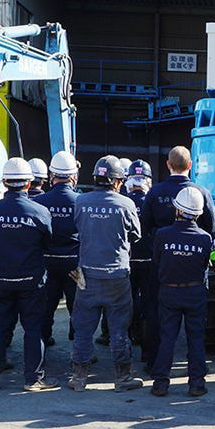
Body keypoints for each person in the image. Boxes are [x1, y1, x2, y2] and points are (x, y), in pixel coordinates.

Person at [0, 158, 54, 392]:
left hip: (0, 279)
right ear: (28, 183)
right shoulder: (40, 211)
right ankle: (33, 379)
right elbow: (47, 242)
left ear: (4, 182)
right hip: (31, 281)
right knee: (33, 329)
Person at [68, 155, 143, 393]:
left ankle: (78, 377)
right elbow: (136, 235)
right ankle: (123, 377)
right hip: (117, 276)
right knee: (119, 329)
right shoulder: (126, 204)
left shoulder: (81, 201)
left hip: (87, 275)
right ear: (117, 181)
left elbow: (77, 227)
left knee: (83, 329)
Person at [141, 146, 215, 371]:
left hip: (162, 267)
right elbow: (213, 229)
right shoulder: (202, 192)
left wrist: (161, 251)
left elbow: (144, 227)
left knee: (159, 318)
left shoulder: (154, 193)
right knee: (196, 328)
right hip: (194, 271)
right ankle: (197, 375)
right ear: (190, 165)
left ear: (168, 165)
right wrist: (202, 254)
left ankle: (154, 364)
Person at [150, 187, 214, 397]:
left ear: (177, 209)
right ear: (198, 214)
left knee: (167, 336)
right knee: (196, 337)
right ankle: (197, 383)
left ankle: (160, 383)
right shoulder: (205, 238)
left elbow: (157, 261)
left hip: (169, 291)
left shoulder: (162, 234)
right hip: (195, 291)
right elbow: (205, 265)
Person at [33, 151, 80, 347]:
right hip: (74, 263)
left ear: (52, 175)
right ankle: (79, 345)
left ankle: (42, 342)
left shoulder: (39, 202)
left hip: (47, 262)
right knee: (77, 306)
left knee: (46, 306)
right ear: (74, 176)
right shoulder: (81, 201)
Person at [126, 159, 153, 344]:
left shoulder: (124, 201)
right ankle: (145, 339)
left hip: (128, 258)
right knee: (148, 300)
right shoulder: (152, 202)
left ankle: (130, 334)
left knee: (129, 299)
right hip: (149, 258)